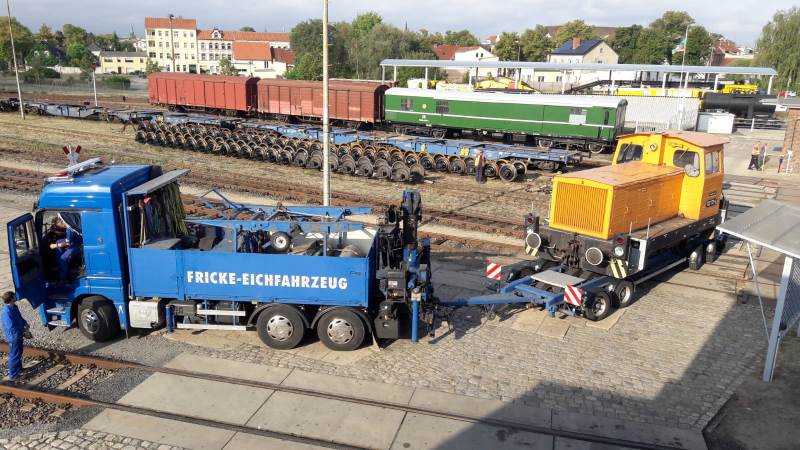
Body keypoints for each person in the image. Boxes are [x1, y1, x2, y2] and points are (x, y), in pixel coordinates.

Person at [2, 291, 28, 381]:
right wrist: (23, 331)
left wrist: (25, 323)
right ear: (11, 299)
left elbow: (19, 317)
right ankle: (13, 375)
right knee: (14, 355)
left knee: (19, 352)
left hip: (18, 334)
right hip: (13, 336)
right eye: (14, 296)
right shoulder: (6, 312)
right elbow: (10, 326)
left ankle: (19, 369)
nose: (15, 297)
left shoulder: (14, 307)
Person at [49, 215, 82, 284]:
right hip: (75, 241)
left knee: (63, 259)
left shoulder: (69, 229)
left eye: (59, 226)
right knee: (58, 241)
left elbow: (67, 243)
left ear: (62, 222)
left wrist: (55, 245)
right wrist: (58, 243)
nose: (60, 228)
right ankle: (59, 265)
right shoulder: (70, 226)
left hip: (77, 245)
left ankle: (63, 278)